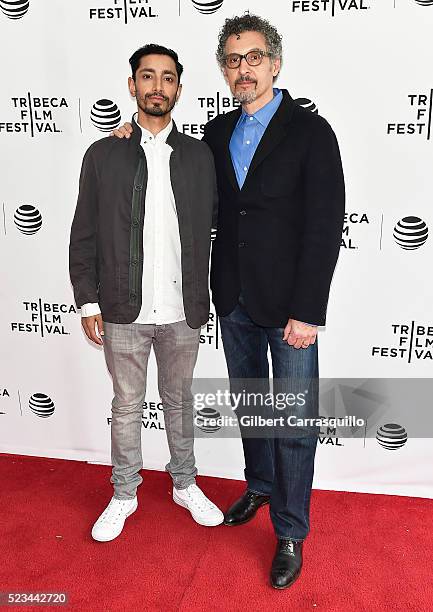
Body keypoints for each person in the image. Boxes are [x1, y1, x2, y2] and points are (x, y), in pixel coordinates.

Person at [113, 14, 345, 589]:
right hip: (235, 300)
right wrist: (125, 143)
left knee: (291, 421)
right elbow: (170, 164)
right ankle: (260, 487)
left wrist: (309, 310)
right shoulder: (215, 136)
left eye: (254, 58)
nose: (244, 69)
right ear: (223, 70)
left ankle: (290, 529)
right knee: (251, 405)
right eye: (233, 60)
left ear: (275, 63)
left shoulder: (311, 132)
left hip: (292, 307)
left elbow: (324, 225)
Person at [69, 44, 222, 543]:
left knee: (180, 402)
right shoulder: (103, 154)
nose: (158, 86)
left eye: (168, 78)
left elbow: (217, 225)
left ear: (179, 88)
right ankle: (124, 493)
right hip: (122, 308)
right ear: (131, 85)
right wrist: (88, 300)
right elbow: (84, 232)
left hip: (183, 309)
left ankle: (185, 483)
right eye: (148, 76)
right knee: (127, 405)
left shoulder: (200, 156)